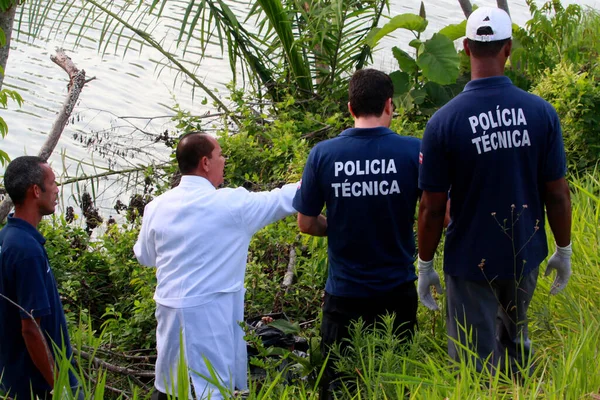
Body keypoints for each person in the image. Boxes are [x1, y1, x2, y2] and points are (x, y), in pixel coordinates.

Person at [417, 7, 572, 375]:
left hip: (470, 262)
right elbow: (558, 193)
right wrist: (562, 249)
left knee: (473, 362)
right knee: (517, 342)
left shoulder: (444, 122)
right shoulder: (541, 113)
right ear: (508, 49)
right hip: (524, 251)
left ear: (466, 49)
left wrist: (425, 263)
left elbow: (432, 207)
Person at [134, 132, 297, 400]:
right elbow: (281, 198)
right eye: (220, 155)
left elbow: (145, 257)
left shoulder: (156, 207)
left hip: (170, 312)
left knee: (169, 385)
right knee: (213, 388)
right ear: (206, 163)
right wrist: (317, 178)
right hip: (212, 314)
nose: (225, 160)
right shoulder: (232, 205)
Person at [293, 68, 421, 399]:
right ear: (390, 105)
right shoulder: (413, 152)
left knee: (338, 386)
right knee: (396, 381)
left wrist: (336, 224)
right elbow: (438, 210)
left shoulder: (323, 154)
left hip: (344, 295)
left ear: (350, 107)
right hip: (398, 291)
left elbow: (306, 223)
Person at [0, 156, 81, 399]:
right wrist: (60, 387)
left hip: (16, 375)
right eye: (53, 183)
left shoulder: (8, 236)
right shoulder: (26, 252)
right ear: (36, 191)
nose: (57, 190)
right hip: (38, 384)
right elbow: (31, 328)